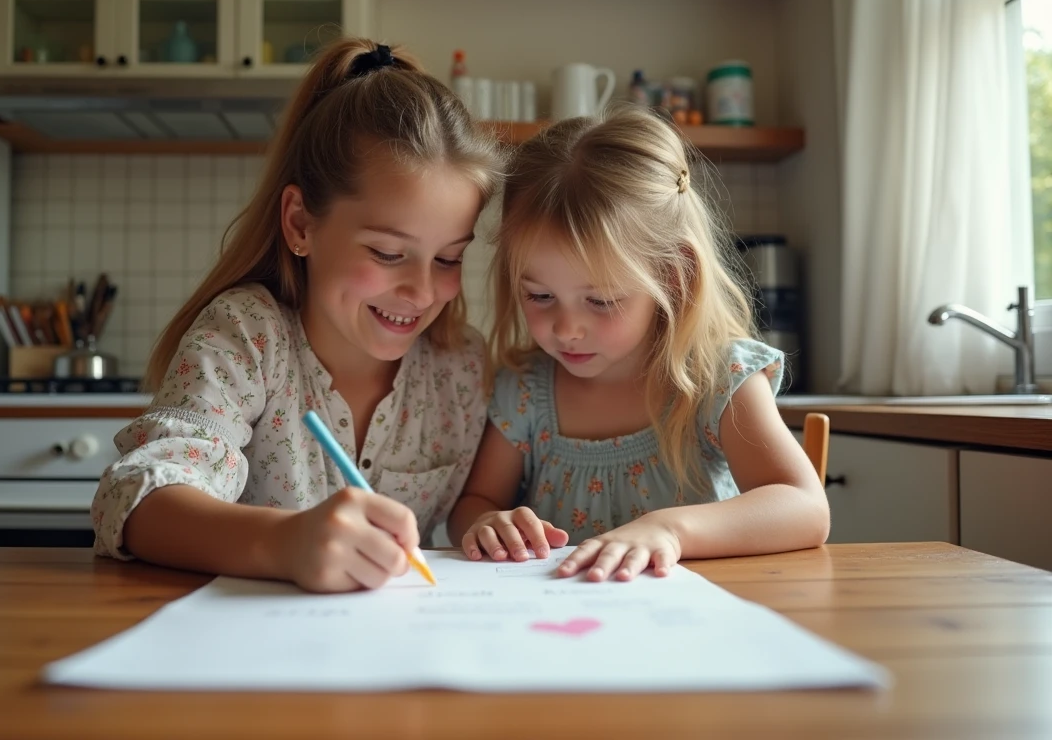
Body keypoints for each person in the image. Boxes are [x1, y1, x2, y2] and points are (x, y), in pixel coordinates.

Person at [92, 39, 505, 593]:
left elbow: (469, 510)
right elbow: (135, 499)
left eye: (450, 258)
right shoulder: (247, 335)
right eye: (387, 253)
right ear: (301, 224)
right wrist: (284, 542)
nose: (422, 290)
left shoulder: (461, 367)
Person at [448, 105, 829, 582]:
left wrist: (671, 529)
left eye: (602, 301)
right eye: (539, 295)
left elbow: (805, 507)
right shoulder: (524, 391)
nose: (567, 328)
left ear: (673, 278)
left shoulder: (716, 381)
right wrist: (487, 523)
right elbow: (476, 503)